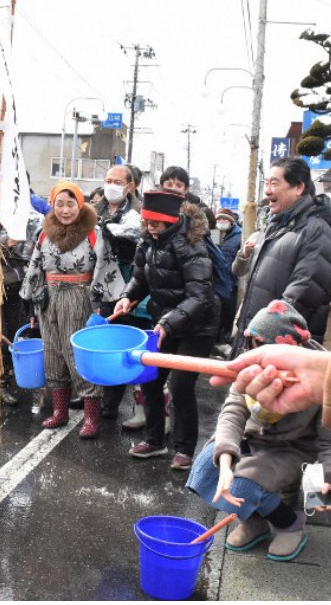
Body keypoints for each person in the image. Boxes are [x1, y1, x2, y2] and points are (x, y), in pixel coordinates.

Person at [187, 302, 331, 562]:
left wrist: (328, 479)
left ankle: (290, 525)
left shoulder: (322, 378)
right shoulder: (253, 366)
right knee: (208, 464)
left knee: (244, 482)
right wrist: (226, 461)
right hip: (254, 438)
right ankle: (253, 523)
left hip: (294, 448)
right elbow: (232, 412)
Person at [113, 190, 219, 467]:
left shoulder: (192, 245)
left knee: (180, 386)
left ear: (172, 221)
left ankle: (184, 449)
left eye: (158, 224)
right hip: (164, 323)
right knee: (150, 379)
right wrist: (126, 297)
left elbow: (200, 296)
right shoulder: (147, 243)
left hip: (197, 327)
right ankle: (154, 440)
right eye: (148, 223)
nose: (152, 228)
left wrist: (168, 323)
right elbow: (140, 278)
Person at [19, 180, 124, 439]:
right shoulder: (44, 233)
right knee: (53, 354)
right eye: (59, 204)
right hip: (49, 300)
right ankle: (60, 412)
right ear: (52, 205)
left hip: (80, 298)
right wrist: (32, 305)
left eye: (70, 204)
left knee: (78, 355)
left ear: (80, 204)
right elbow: (35, 270)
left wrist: (99, 306)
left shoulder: (94, 233)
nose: (65, 210)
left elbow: (105, 269)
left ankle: (91, 417)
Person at [231, 157, 331, 356]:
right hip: (256, 340)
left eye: (275, 183)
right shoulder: (274, 226)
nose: (267, 190)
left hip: (279, 347)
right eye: (267, 183)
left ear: (298, 188)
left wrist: (264, 333)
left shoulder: (316, 231)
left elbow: (303, 291)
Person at [88, 165, 147, 422]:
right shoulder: (94, 209)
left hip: (135, 285)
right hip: (104, 286)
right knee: (108, 342)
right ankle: (108, 402)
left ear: (129, 186)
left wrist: (111, 230)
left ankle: (142, 406)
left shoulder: (139, 212)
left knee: (135, 344)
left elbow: (137, 237)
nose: (110, 184)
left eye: (117, 181)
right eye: (107, 180)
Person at [0, 168, 43, 407]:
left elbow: (25, 248)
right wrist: (0, 242)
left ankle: (8, 378)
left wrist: (4, 244)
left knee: (12, 332)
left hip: (13, 284)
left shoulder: (18, 215)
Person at [215, 207, 242, 345]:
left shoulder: (240, 236)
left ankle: (226, 339)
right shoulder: (213, 233)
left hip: (231, 282)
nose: (221, 221)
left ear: (231, 222)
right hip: (215, 281)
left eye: (224, 219)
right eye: (219, 219)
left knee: (228, 312)